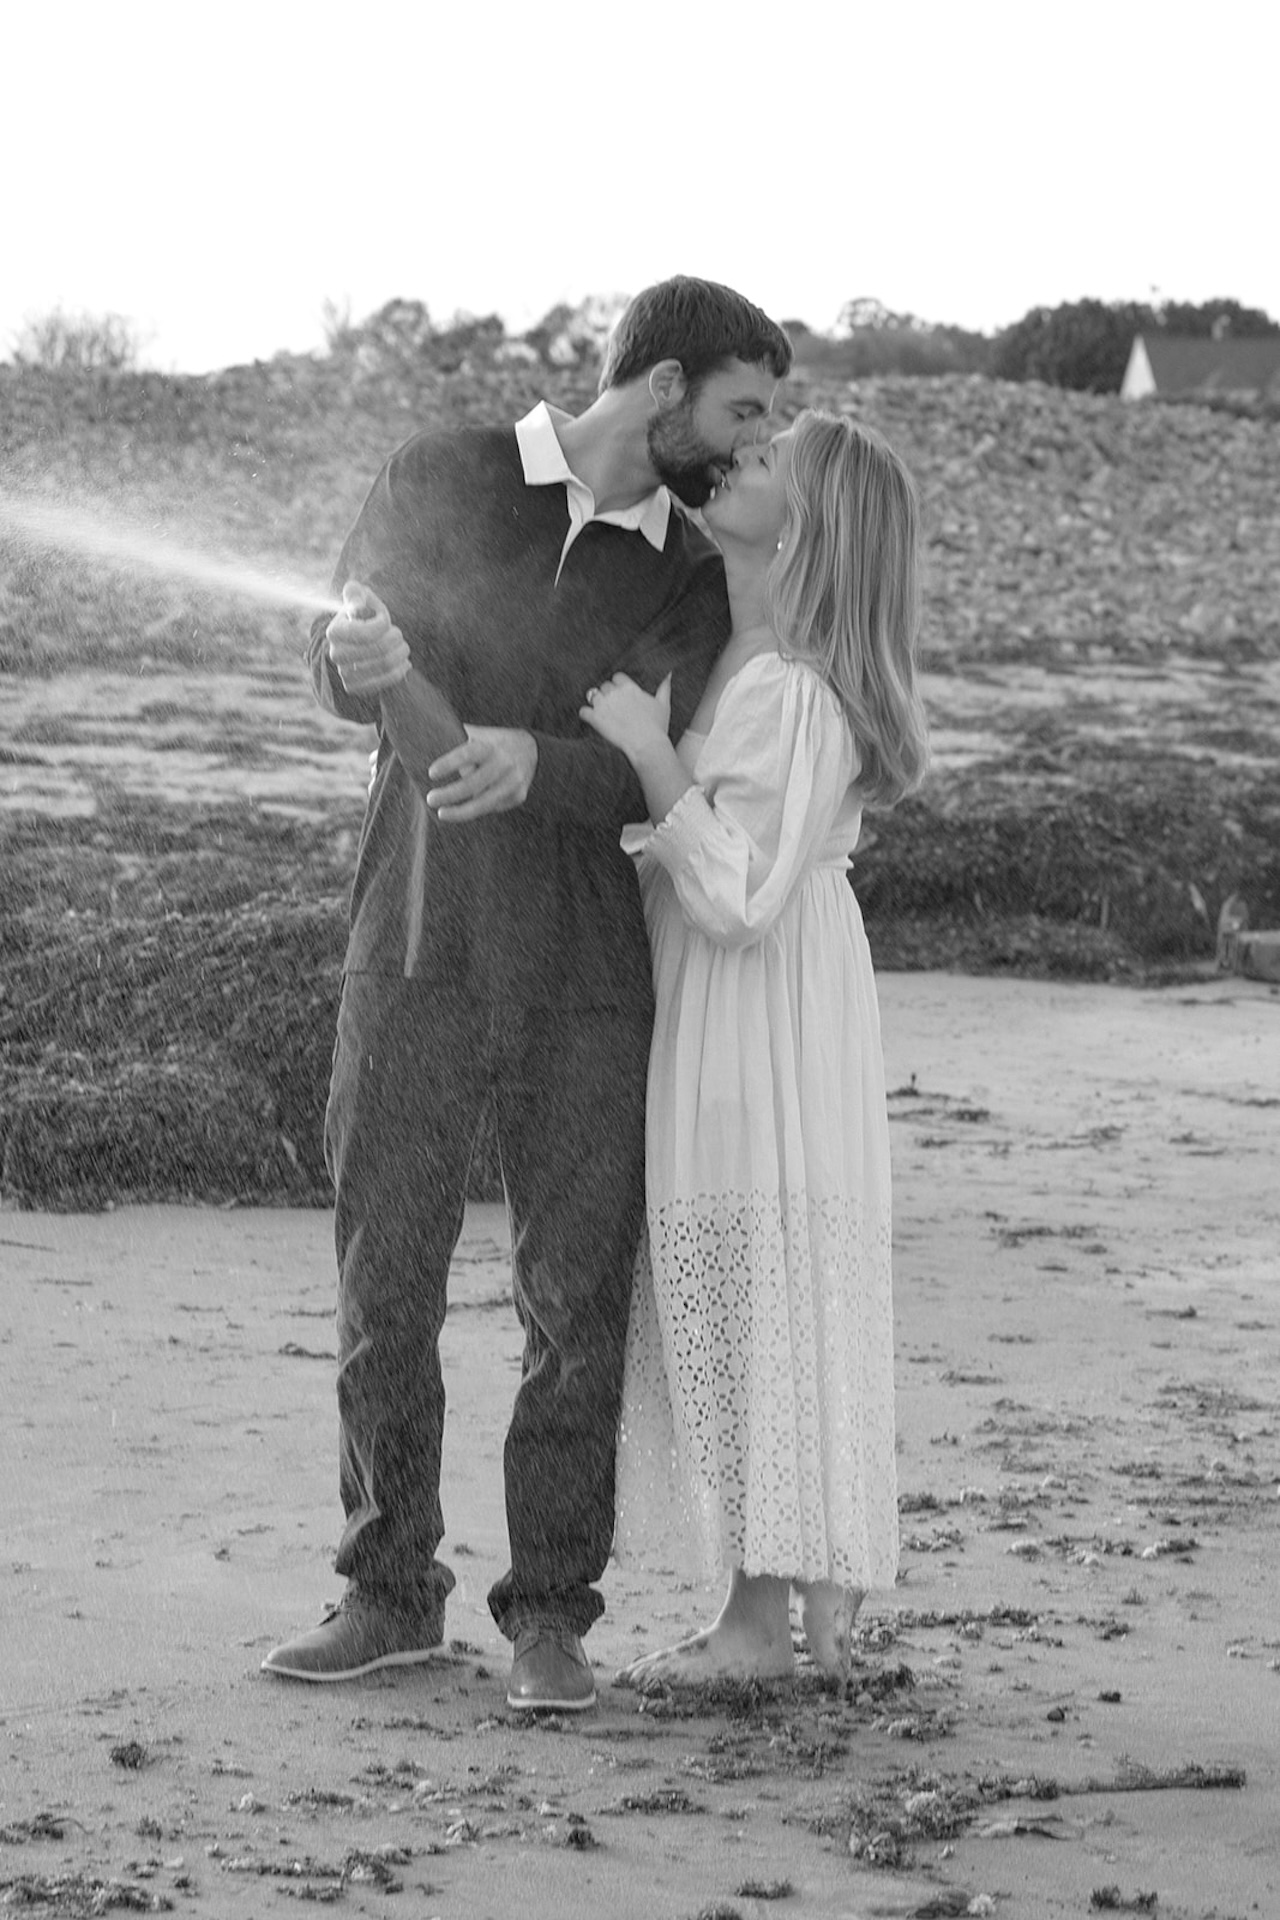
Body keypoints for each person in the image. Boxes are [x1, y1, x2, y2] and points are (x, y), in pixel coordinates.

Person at [261, 278, 793, 1711]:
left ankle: (550, 1616)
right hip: (415, 929)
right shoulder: (439, 471)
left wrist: (534, 763)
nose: (755, 440)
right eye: (743, 407)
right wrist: (346, 661)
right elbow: (334, 648)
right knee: (386, 1276)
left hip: (581, 959)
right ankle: (387, 1594)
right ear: (664, 385)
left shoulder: (684, 570)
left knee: (574, 1303)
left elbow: (652, 760)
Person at [579, 409, 928, 1684]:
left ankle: (752, 1626)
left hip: (755, 998)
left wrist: (642, 759)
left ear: (812, 523)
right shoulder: (746, 658)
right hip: (755, 992)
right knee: (765, 1267)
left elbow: (732, 891)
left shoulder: (785, 685)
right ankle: (808, 1604)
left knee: (748, 1269)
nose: (739, 461)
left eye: (770, 458)